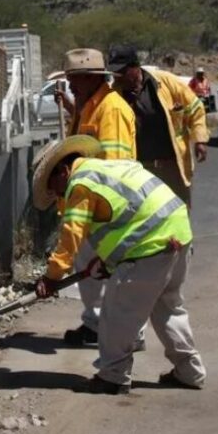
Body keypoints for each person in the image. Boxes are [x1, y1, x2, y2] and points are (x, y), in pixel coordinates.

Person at [32, 135, 206, 395]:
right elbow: (126, 216)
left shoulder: (80, 184)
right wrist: (108, 261)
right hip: (177, 233)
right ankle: (190, 371)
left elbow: (70, 239)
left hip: (149, 247)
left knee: (115, 315)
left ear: (63, 170)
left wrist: (51, 277)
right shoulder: (105, 167)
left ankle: (113, 376)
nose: (57, 195)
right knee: (168, 307)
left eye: (54, 187)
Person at [53, 48, 138, 348]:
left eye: (74, 79)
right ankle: (96, 323)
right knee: (89, 270)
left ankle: (123, 331)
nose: (71, 85)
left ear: (91, 78)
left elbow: (115, 164)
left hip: (105, 207)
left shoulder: (110, 110)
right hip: (94, 204)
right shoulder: (90, 105)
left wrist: (101, 210)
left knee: (106, 272)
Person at [107, 46, 209, 208]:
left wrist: (200, 140)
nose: (117, 78)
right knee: (147, 218)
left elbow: (195, 109)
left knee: (178, 214)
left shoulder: (165, 82)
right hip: (138, 170)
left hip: (171, 166)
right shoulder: (114, 94)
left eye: (121, 72)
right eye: (114, 73)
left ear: (135, 67)